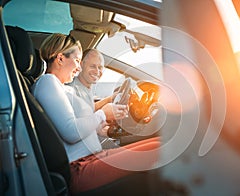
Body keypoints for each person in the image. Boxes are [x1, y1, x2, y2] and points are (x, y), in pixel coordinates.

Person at [32, 33, 160, 194]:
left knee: (161, 144)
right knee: (161, 151)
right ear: (60, 59)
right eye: (77, 61)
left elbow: (77, 121)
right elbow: (71, 131)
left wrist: (101, 123)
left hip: (94, 157)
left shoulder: (63, 88)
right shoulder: (48, 82)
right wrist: (102, 115)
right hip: (80, 167)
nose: (79, 68)